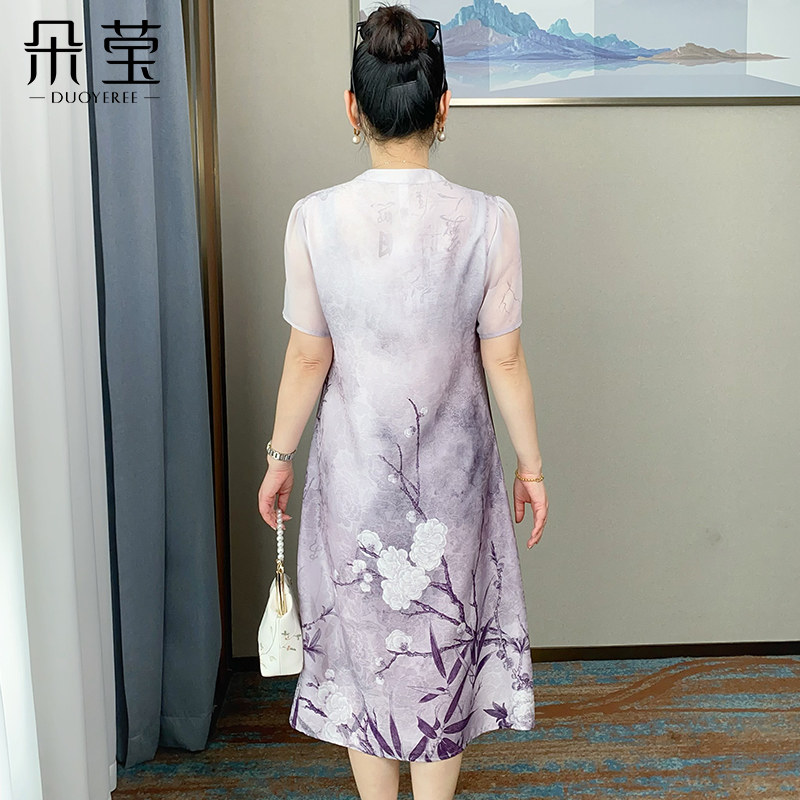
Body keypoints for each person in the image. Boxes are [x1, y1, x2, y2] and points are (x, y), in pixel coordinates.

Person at [258, 4, 548, 799]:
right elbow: (505, 357)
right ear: (443, 106)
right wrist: (531, 467)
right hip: (452, 485)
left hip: (355, 480)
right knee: (439, 657)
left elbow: (308, 355)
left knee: (369, 661)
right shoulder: (489, 219)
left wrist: (279, 457)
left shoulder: (314, 219)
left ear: (353, 108)